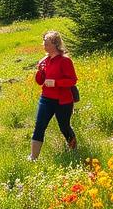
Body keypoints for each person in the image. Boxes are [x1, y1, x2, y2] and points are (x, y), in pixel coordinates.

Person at [29, 30, 78, 160]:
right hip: (46, 99)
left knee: (64, 127)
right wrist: (39, 71)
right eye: (44, 42)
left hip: (63, 101)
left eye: (46, 42)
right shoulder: (44, 61)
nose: (43, 45)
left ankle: (74, 150)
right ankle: (33, 157)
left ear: (55, 44)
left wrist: (56, 83)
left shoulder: (65, 61)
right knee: (39, 126)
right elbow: (40, 81)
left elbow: (72, 80)